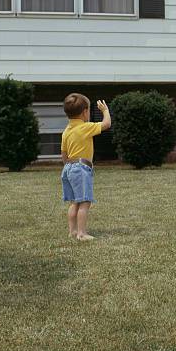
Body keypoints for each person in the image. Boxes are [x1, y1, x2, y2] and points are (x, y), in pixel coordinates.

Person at [61, 94, 111, 241]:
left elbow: (64, 154)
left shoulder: (66, 131)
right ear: (84, 112)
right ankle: (82, 233)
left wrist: (68, 167)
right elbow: (106, 124)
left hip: (68, 168)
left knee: (74, 201)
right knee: (85, 201)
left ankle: (72, 231)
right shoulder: (85, 127)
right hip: (81, 168)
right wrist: (105, 110)